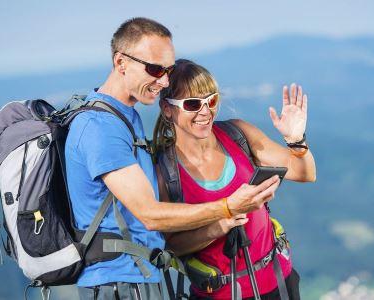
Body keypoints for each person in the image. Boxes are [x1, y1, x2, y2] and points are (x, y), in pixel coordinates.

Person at [65, 18, 280, 300]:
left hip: (135, 280)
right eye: (155, 69)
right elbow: (151, 215)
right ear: (121, 63)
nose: (164, 81)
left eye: (167, 70)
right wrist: (228, 207)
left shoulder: (123, 118)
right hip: (118, 283)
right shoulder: (101, 129)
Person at [154, 59, 316, 299]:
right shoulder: (164, 172)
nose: (205, 111)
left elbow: (305, 173)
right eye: (192, 104)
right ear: (167, 108)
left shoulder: (238, 134)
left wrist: (296, 140)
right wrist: (221, 222)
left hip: (279, 283)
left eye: (211, 101)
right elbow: (171, 246)